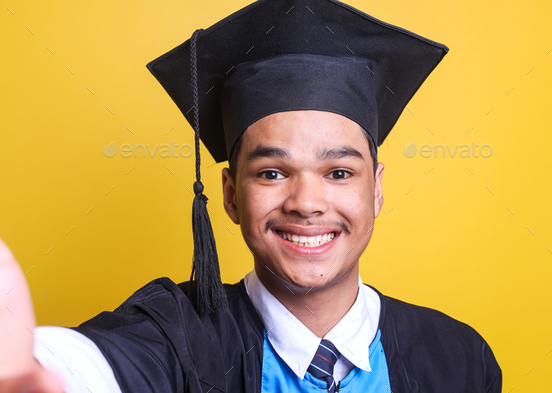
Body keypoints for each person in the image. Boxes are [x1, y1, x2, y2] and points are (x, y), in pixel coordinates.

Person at [0, 0, 502, 392]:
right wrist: (35, 366)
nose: (306, 202)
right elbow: (95, 366)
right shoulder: (179, 339)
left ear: (377, 190)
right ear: (230, 195)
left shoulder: (457, 356)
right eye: (272, 173)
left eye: (339, 172)